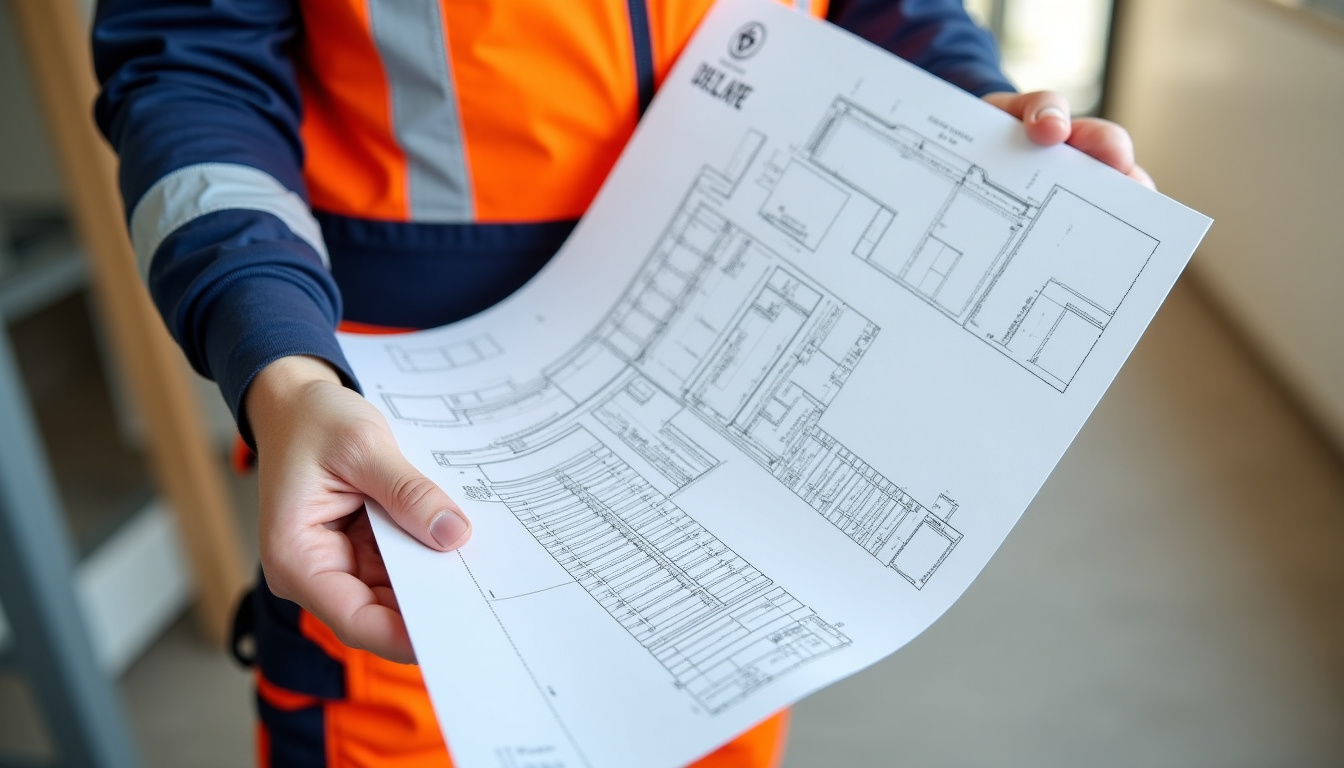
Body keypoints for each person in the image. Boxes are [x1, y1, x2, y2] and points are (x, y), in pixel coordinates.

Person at [93, 1, 1152, 765]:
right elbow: (193, 71)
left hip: (723, 428)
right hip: (408, 454)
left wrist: (982, 124)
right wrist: (276, 354)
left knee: (707, 728)